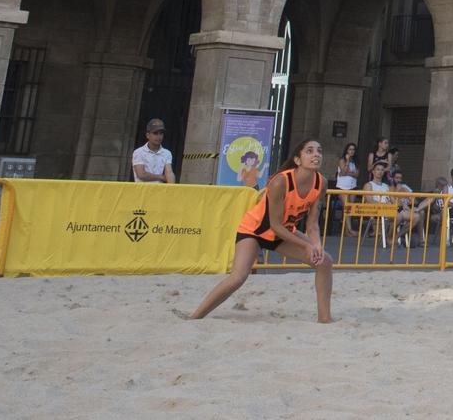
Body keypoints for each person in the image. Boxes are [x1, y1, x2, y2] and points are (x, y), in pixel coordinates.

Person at [190, 139, 333, 323]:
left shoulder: (321, 183)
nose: (316, 155)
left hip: (284, 233)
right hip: (255, 231)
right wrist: (306, 245)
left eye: (319, 151)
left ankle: (325, 319)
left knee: (325, 261)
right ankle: (196, 316)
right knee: (238, 278)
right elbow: (275, 226)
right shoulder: (281, 181)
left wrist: (316, 244)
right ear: (297, 160)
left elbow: (312, 224)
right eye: (310, 151)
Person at [131, 119, 175, 184]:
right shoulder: (138, 152)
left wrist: (173, 190)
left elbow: (169, 172)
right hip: (142, 192)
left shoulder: (167, 153)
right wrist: (162, 177)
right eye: (155, 133)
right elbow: (141, 175)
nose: (159, 136)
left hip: (159, 192)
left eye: (161, 133)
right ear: (147, 135)